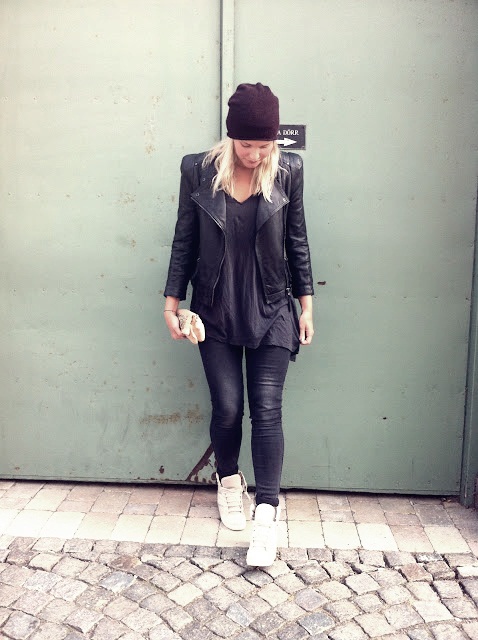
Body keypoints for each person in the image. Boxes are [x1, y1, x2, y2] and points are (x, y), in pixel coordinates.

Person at [163, 83, 314, 566]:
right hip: (215, 308)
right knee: (228, 408)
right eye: (246, 144)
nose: (254, 154)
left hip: (271, 308)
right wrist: (171, 304)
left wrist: (306, 305)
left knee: (267, 409)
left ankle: (267, 516)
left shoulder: (288, 170)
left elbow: (297, 240)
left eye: (263, 145)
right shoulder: (198, 170)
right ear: (231, 138)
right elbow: (184, 239)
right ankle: (229, 481)